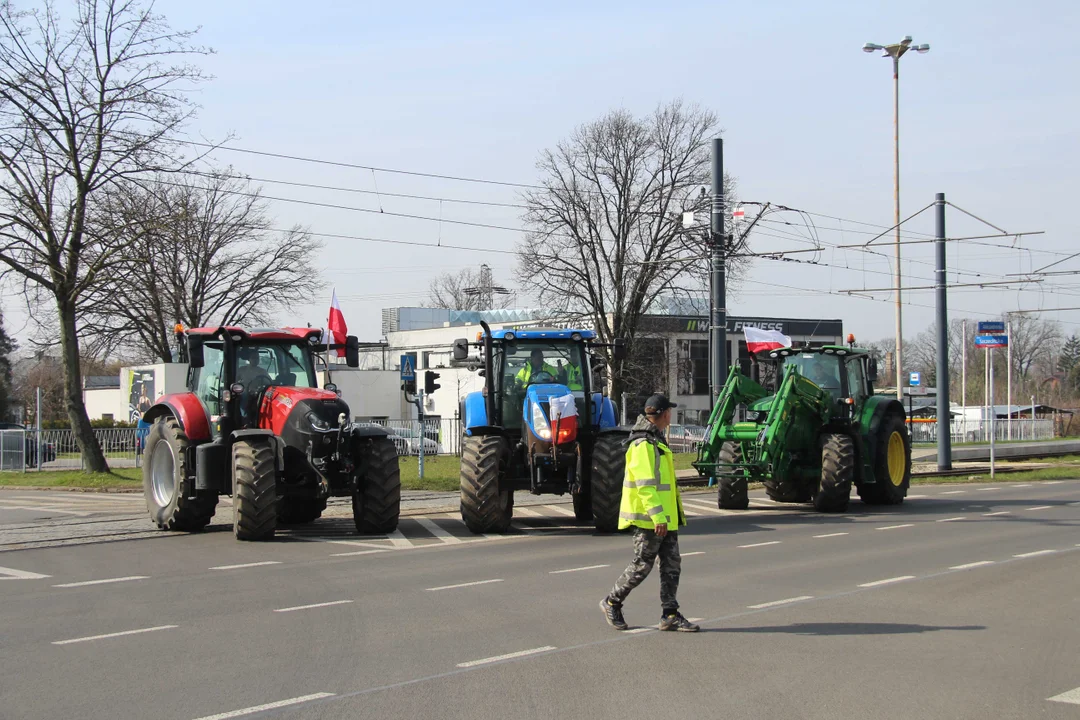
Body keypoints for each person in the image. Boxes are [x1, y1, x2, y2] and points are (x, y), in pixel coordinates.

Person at [599, 394, 698, 632]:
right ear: (664, 414)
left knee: (671, 565)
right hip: (651, 519)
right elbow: (645, 485)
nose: (670, 416)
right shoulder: (643, 443)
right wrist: (657, 517)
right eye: (669, 412)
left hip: (665, 518)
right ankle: (612, 602)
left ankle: (670, 613)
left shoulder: (656, 440)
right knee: (642, 565)